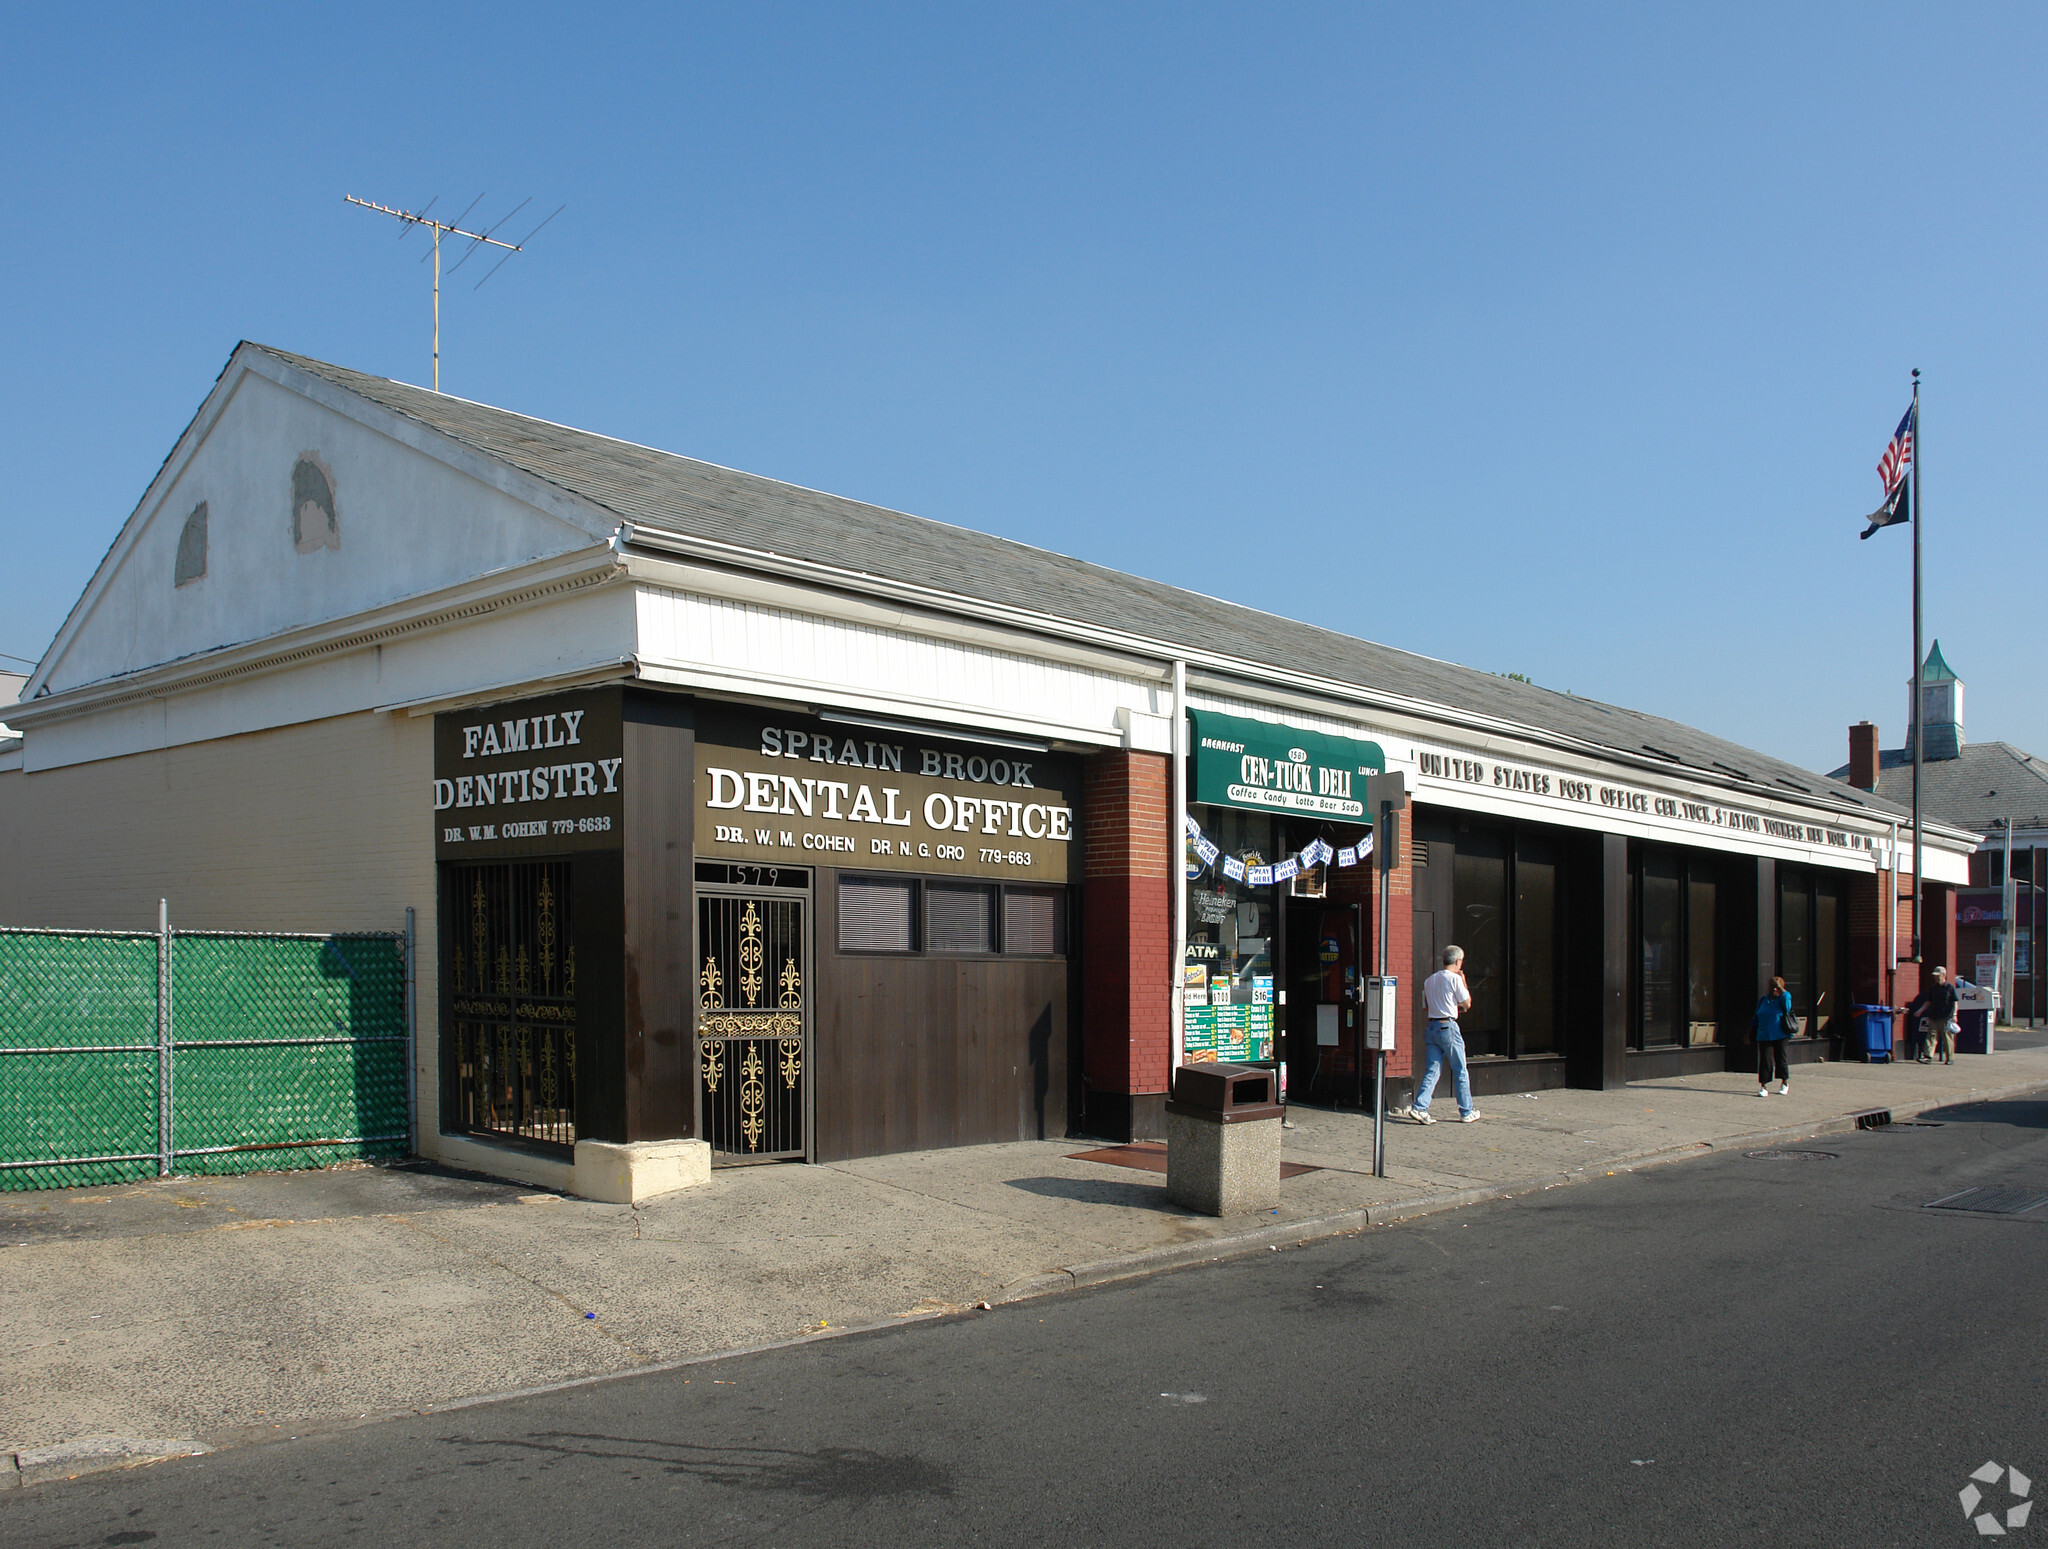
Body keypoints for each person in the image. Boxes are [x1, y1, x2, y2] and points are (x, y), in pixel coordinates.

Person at [1401, 945, 1480, 1125]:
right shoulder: (1455, 979)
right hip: (1448, 1026)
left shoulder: (1430, 980)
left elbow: (1426, 1006)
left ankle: (1420, 1107)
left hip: (1432, 1026)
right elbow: (1467, 1004)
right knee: (1460, 1070)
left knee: (1433, 1070)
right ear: (1458, 961)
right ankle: (1466, 1111)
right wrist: (1464, 981)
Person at [1905, 966, 1960, 1066]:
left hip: (1946, 1017)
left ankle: (1950, 1058)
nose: (1936, 978)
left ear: (1943, 975)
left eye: (1938, 976)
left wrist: (1954, 1015)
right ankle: (1928, 1056)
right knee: (1931, 1036)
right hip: (1933, 1016)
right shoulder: (1933, 988)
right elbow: (1929, 1001)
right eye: (1935, 976)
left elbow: (1954, 1002)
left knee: (1947, 1038)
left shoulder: (1949, 988)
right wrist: (1920, 1011)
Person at [1753, 975, 1794, 1096]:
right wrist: (1750, 1032)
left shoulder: (1783, 999)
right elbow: (1756, 1016)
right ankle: (1764, 1086)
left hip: (1780, 1034)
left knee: (1781, 1058)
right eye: (1772, 987)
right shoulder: (1763, 1000)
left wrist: (1782, 990)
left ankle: (1784, 1082)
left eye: (1776, 988)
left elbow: (1788, 1007)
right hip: (1764, 1034)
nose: (1774, 990)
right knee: (1765, 1060)